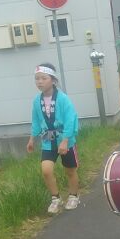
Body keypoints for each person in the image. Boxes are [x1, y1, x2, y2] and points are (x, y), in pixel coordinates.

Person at [27, 63, 80, 213]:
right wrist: (32, 139)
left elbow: (71, 119)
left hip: (65, 139)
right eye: (37, 79)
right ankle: (56, 198)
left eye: (44, 78)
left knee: (70, 170)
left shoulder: (63, 99)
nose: (40, 82)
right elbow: (36, 120)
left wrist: (65, 140)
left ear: (53, 80)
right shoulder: (37, 101)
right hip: (47, 140)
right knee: (46, 170)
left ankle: (73, 195)